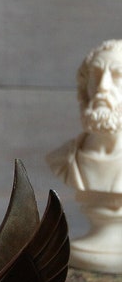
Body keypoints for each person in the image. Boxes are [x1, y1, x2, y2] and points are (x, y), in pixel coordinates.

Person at [47, 39, 122, 192]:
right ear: (85, 85)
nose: (103, 86)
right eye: (96, 74)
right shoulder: (62, 160)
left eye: (117, 75)